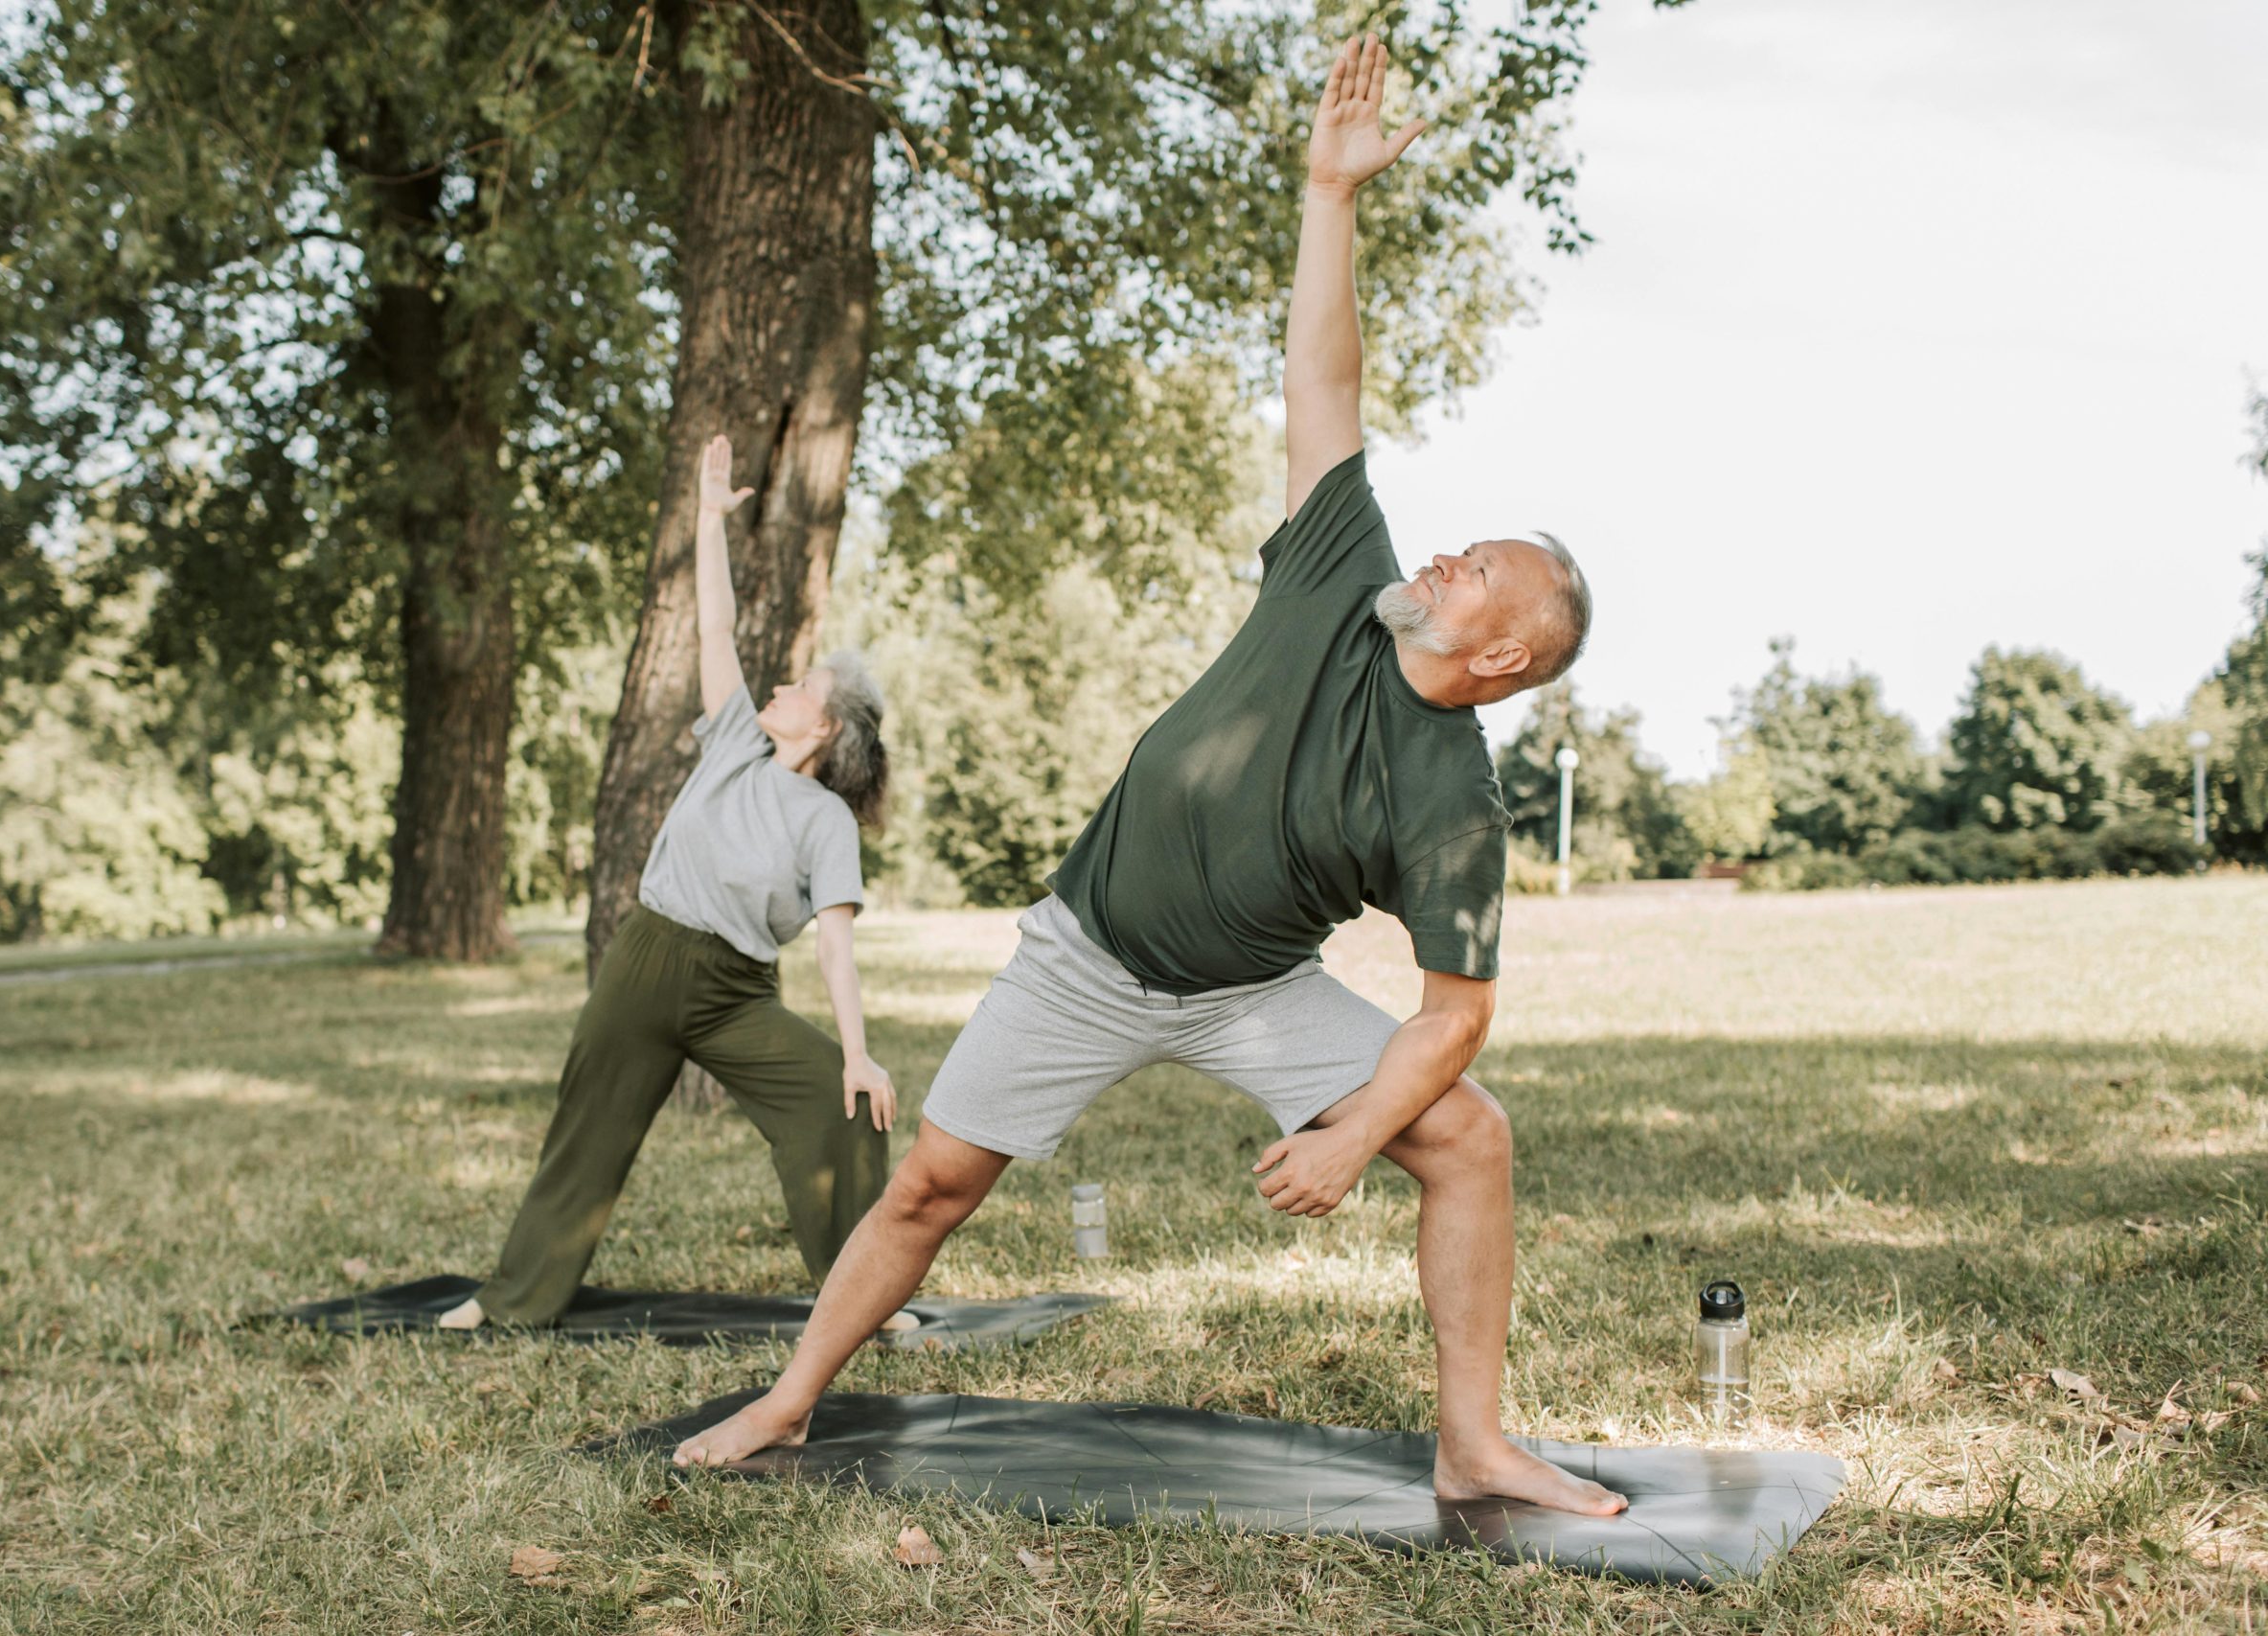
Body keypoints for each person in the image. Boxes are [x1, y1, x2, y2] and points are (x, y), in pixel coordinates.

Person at [673, 35, 1620, 1517]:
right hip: (1088, 949)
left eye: (1480, 566)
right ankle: (788, 1402)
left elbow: (1457, 1014)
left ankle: (1474, 1441)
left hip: (1247, 985)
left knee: (1470, 1134)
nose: (1447, 553)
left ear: (1502, 655)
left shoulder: (1452, 796)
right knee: (930, 1185)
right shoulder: (1343, 570)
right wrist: (1329, 192)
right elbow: (1324, 369)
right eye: (1462, 540)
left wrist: (1355, 1131)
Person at [441, 433, 898, 1331]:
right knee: (587, 1129)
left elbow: (837, 950)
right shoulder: (734, 737)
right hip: (647, 963)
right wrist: (707, 520)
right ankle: (512, 1301)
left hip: (734, 993)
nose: (778, 681)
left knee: (840, 1103)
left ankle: (865, 1304)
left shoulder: (826, 822)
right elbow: (715, 624)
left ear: (827, 727)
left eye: (799, 684)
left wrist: (856, 1052)